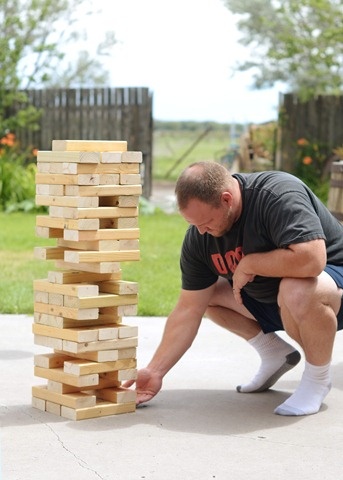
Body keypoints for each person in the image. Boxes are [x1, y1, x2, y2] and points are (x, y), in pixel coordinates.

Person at [125, 161, 343, 416]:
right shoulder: (199, 238)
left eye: (206, 222)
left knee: (295, 288)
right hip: (280, 303)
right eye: (194, 224)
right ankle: (274, 353)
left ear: (226, 199)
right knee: (210, 294)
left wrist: (251, 263)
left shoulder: (276, 195)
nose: (202, 231)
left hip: (330, 291)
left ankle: (317, 379)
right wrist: (155, 371)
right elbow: (187, 309)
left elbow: (312, 260)